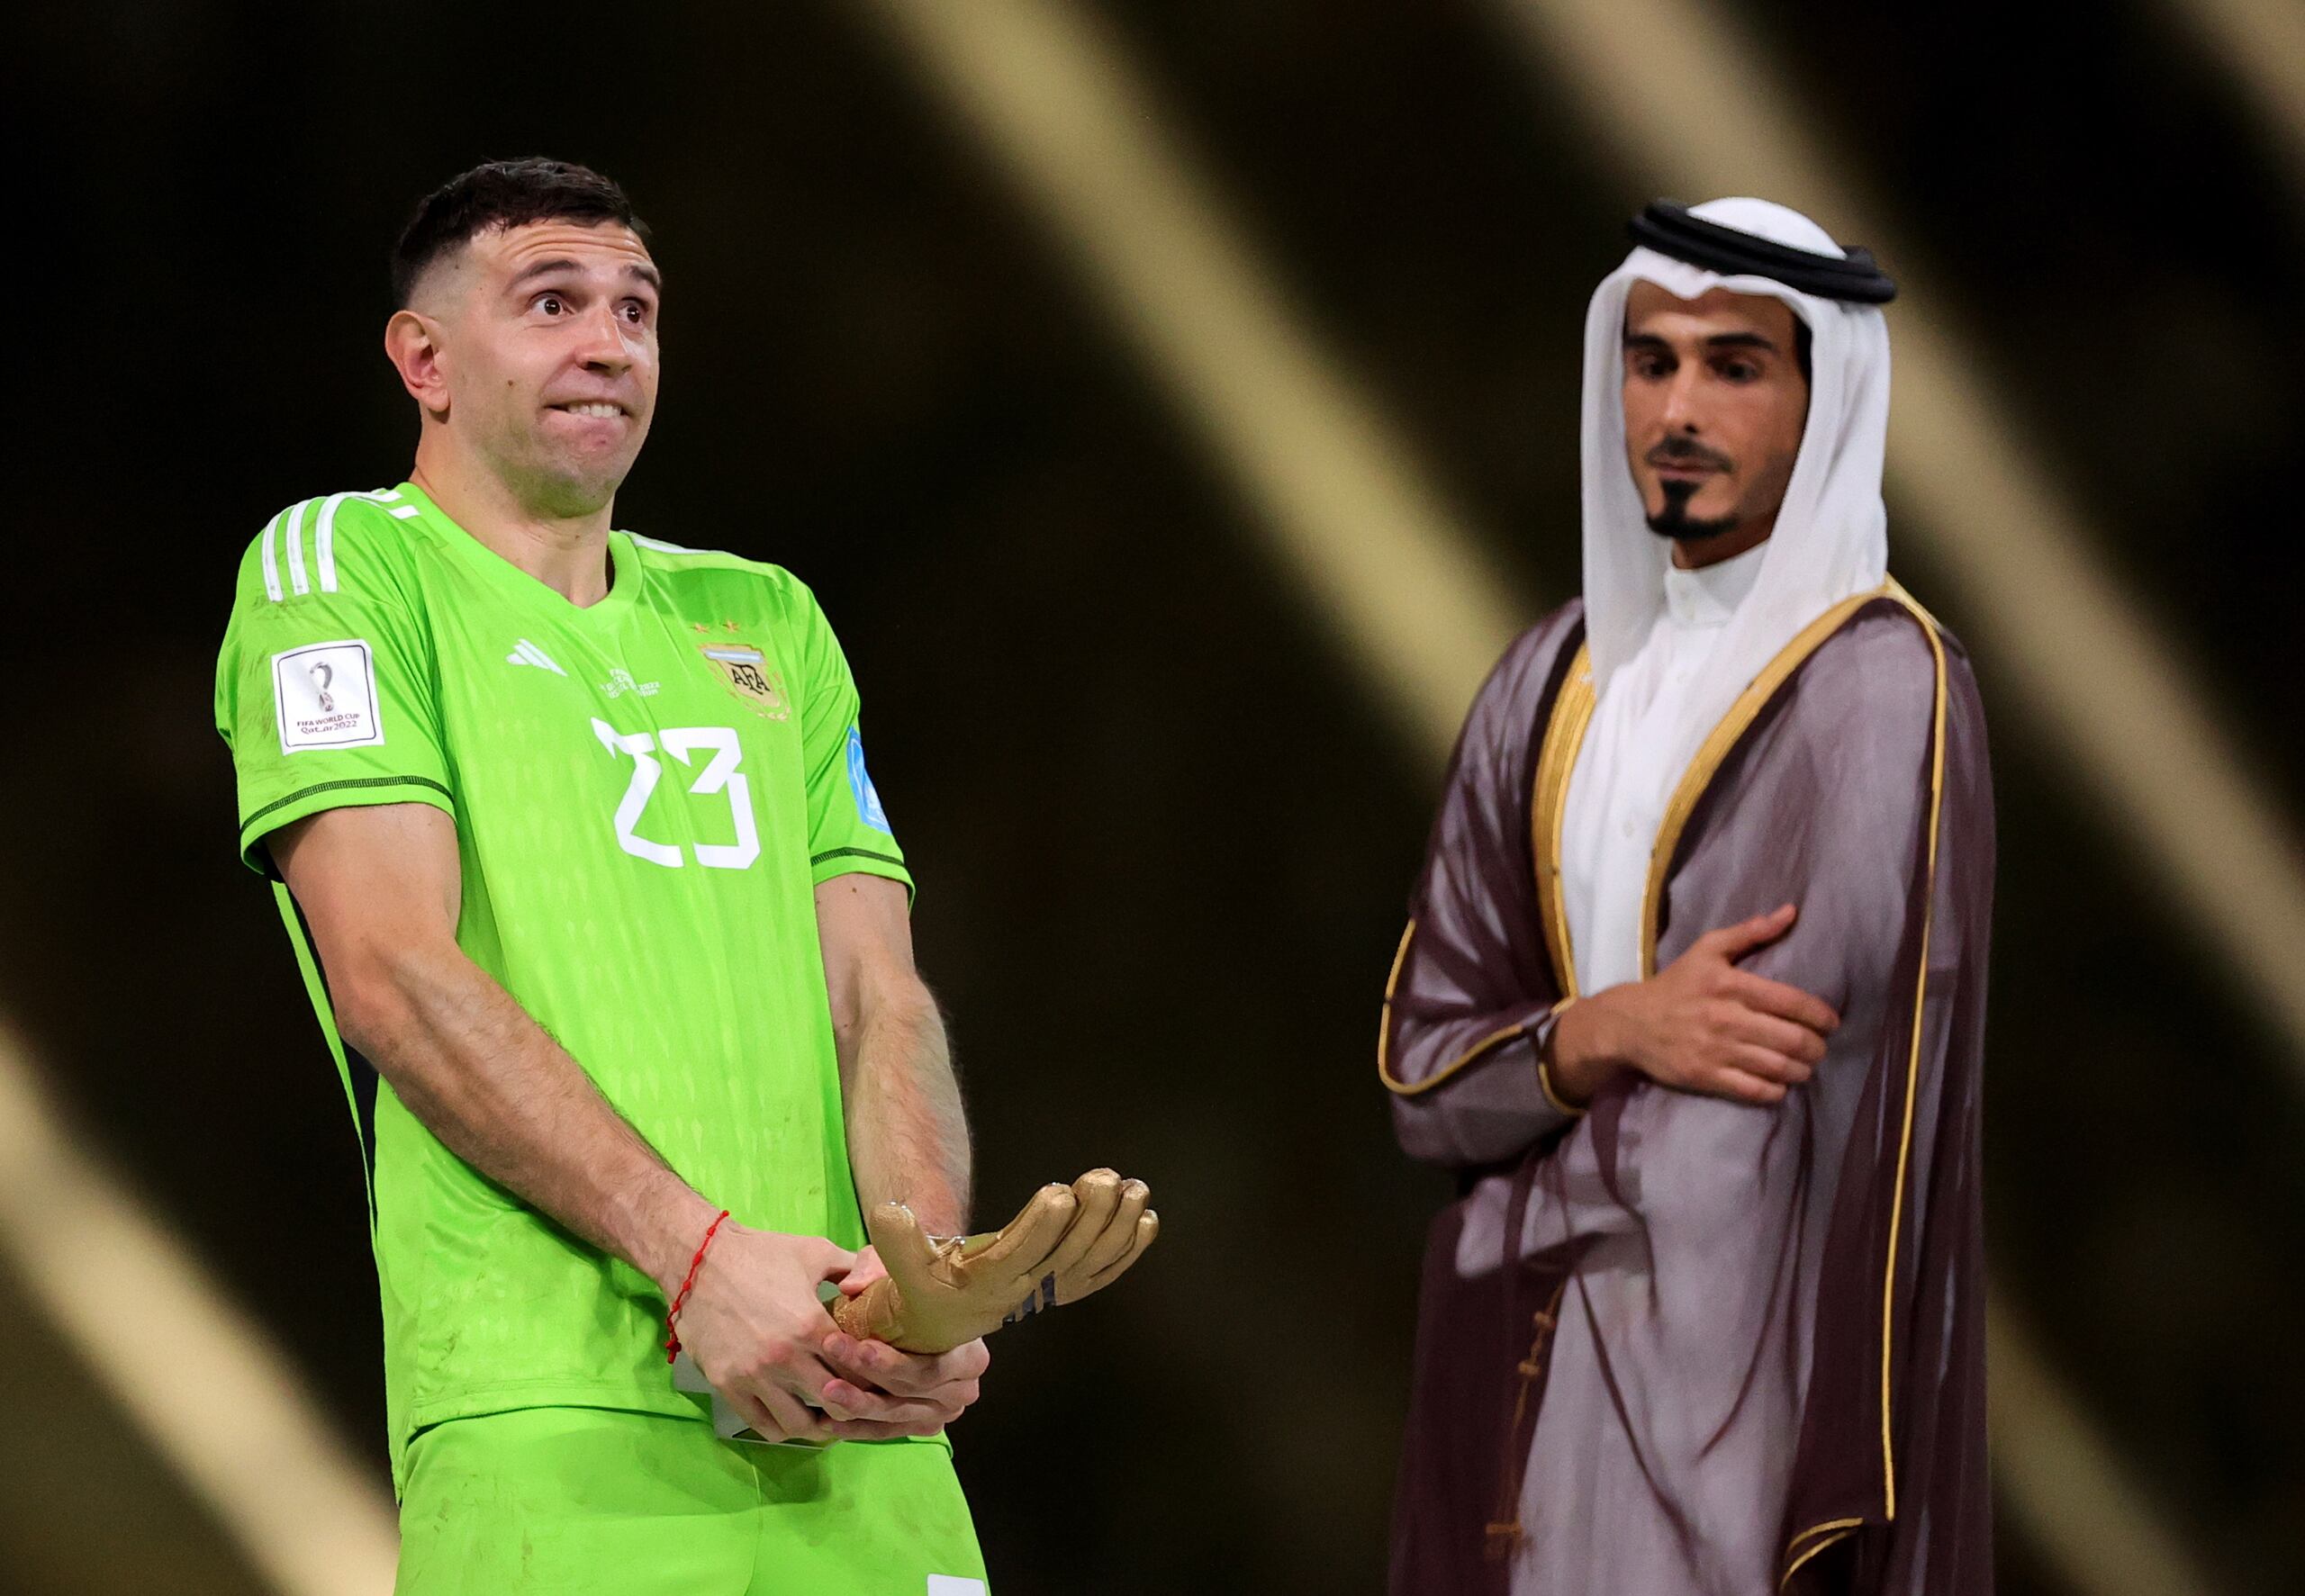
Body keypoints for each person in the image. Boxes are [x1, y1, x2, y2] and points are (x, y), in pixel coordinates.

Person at [214, 158, 992, 1594]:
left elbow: (881, 993)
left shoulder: (766, 618)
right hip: (555, 1421)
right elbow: (389, 964)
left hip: (857, 1428)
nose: (609, 341)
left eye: (636, 308)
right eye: (552, 301)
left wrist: (921, 1284)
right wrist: (696, 1258)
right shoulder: (339, 569)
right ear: (423, 359)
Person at [1378, 198, 1993, 1595]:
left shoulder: (1882, 690)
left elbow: (1752, 1097)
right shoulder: (1547, 683)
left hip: (1750, 1409)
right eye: (1650, 361)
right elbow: (1422, 1077)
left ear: (1824, 395)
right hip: (1533, 1401)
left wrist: (1526, 1162)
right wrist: (1605, 1033)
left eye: (1734, 365)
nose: (1677, 407)